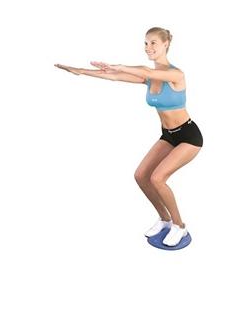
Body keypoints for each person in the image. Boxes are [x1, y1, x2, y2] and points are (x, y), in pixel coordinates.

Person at [54, 27, 203, 247]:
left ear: (166, 44)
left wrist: (120, 65)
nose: (148, 47)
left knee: (157, 178)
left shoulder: (176, 74)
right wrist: (80, 71)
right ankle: (165, 220)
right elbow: (114, 76)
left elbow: (144, 71)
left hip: (188, 136)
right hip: (168, 135)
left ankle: (180, 226)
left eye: (153, 43)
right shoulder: (149, 78)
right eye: (146, 43)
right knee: (141, 176)